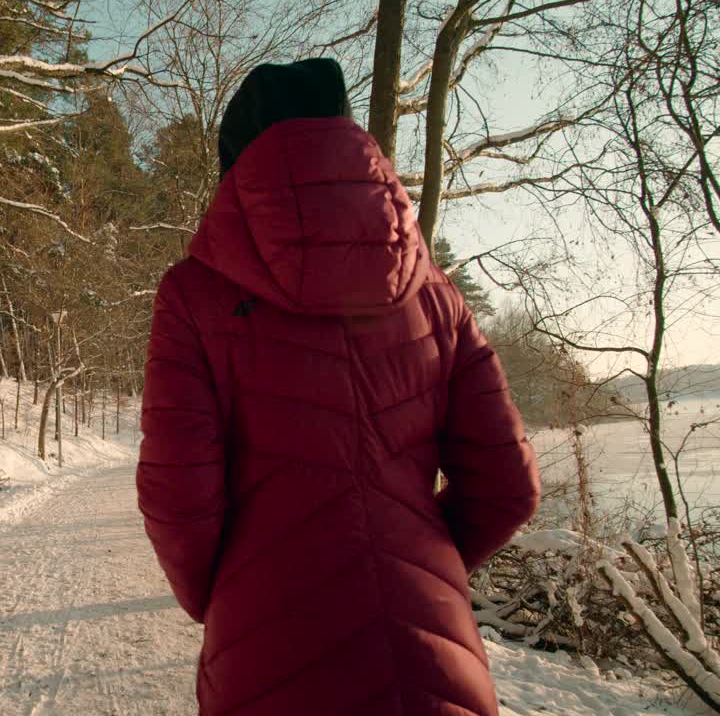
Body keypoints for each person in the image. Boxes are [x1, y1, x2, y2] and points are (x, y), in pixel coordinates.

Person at [136, 58, 541, 716]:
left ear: (234, 165)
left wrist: (219, 595)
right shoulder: (438, 299)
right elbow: (510, 487)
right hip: (435, 667)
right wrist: (421, 560)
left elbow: (178, 495)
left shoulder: (194, 294)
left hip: (266, 653)